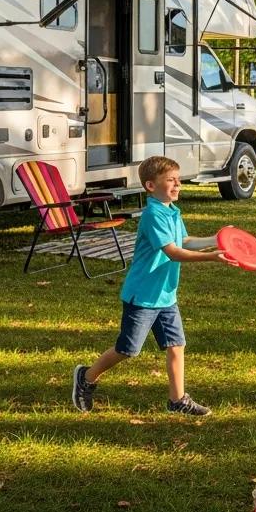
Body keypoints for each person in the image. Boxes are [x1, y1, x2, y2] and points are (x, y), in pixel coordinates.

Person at [71, 155, 237, 416]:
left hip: (165, 295)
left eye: (178, 180)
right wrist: (211, 257)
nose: (177, 185)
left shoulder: (171, 211)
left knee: (176, 345)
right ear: (151, 186)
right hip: (143, 296)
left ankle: (177, 399)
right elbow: (173, 252)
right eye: (170, 180)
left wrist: (217, 239)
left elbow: (185, 241)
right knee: (127, 350)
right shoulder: (153, 215)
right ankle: (86, 377)